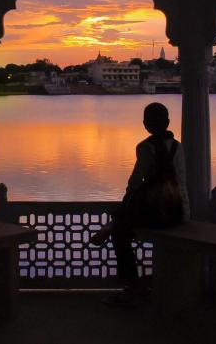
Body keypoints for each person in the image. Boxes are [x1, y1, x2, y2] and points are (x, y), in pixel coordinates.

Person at [90, 102, 190, 305]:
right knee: (123, 221)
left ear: (145, 124)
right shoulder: (178, 147)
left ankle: (131, 288)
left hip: (157, 213)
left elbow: (135, 182)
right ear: (168, 122)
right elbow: (181, 181)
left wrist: (125, 205)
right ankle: (113, 226)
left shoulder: (146, 147)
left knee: (120, 233)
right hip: (178, 212)